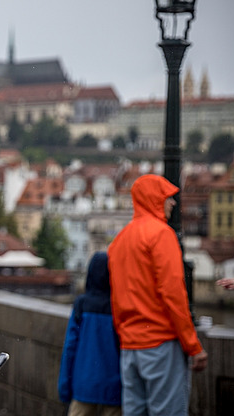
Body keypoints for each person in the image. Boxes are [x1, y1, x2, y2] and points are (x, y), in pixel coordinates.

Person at [108, 174, 208, 416]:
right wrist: (193, 346)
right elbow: (173, 294)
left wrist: (126, 335)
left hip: (130, 347)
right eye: (167, 197)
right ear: (154, 199)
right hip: (160, 344)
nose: (173, 203)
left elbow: (117, 299)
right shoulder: (161, 234)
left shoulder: (120, 240)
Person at [58, 251, 121, 416]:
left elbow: (70, 348)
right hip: (115, 387)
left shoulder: (82, 304)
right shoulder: (118, 306)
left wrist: (65, 388)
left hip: (83, 385)